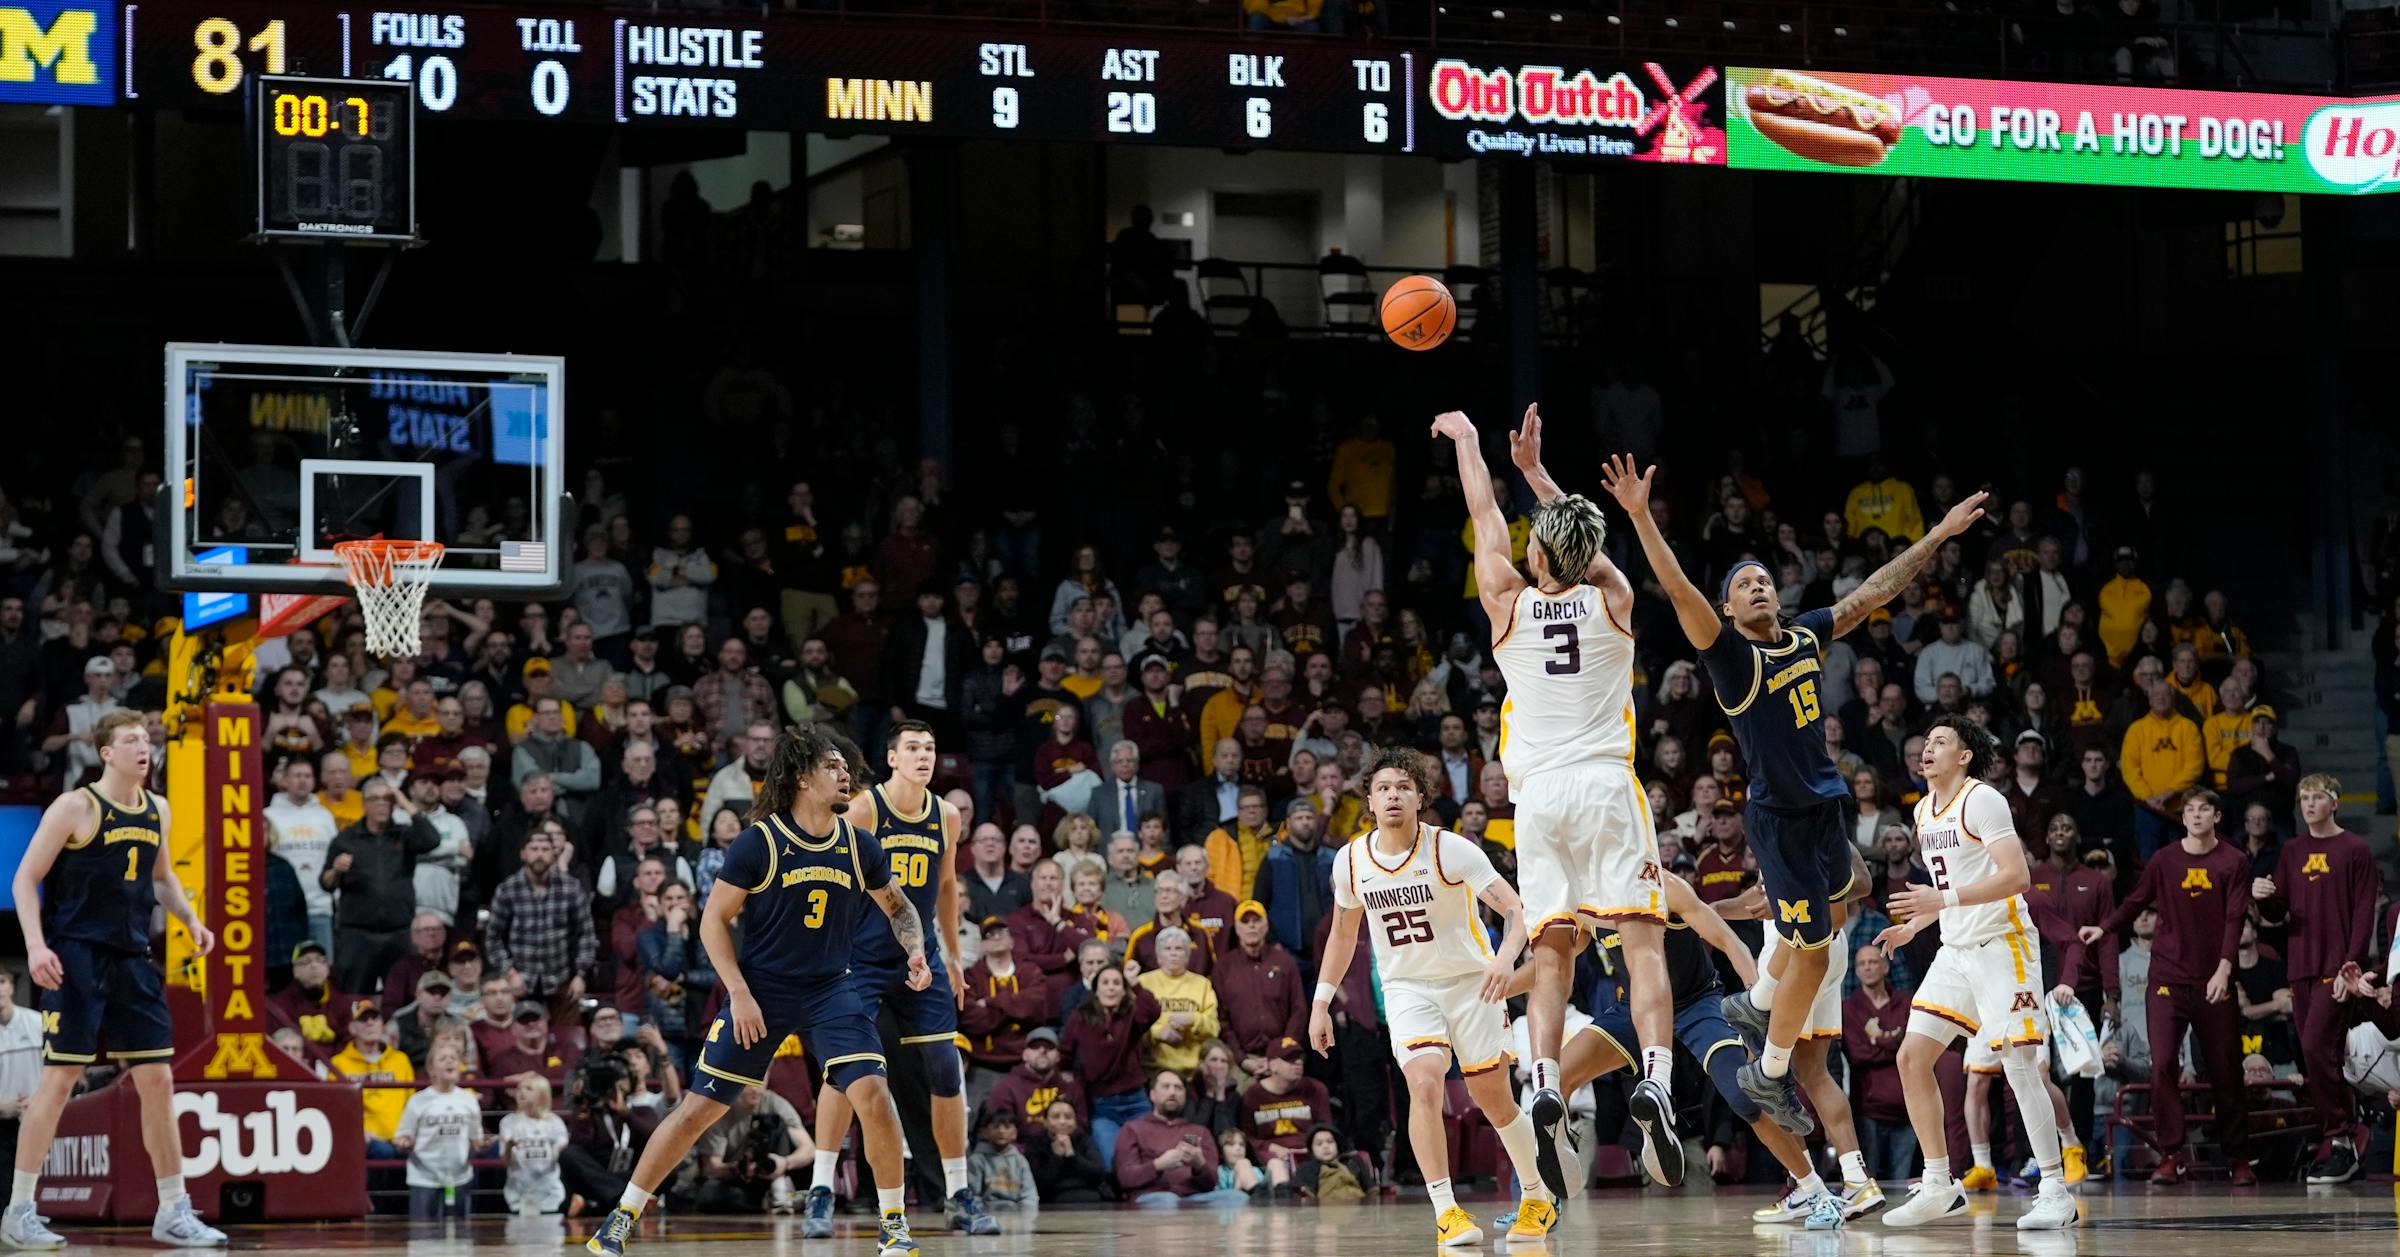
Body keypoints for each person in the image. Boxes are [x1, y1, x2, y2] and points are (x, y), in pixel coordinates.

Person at [1604, 448, 1988, 1143]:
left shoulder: (1807, 634)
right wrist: (1638, 517)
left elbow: (1871, 593)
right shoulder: (1729, 654)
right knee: (1811, 953)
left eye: (1762, 580)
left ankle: (1754, 1002)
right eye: (1741, 584)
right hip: (1779, 820)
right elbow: (1681, 587)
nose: (1756, 587)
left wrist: (1938, 536)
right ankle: (1768, 1067)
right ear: (1727, 607)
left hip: (1825, 808)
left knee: (1855, 890)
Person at [1437, 406, 1679, 1193]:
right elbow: (1587, 539)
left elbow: (1482, 513)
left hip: (1538, 798)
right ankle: (1656, 1080)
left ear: (1537, 550)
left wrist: (1475, 446)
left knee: (1551, 956)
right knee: (1642, 942)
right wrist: (1542, 476)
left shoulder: (1507, 603)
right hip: (1608, 783)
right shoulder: (1612, 597)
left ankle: (1541, 1080)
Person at [585, 725, 936, 1257]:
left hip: (831, 987)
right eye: (832, 767)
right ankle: (623, 1215)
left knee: (873, 1092)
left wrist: (914, 950)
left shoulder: (859, 843)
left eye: (847, 768)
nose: (846, 776)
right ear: (801, 777)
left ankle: (893, 1223)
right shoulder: (761, 841)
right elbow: (711, 923)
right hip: (762, 990)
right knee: (699, 1109)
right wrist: (739, 993)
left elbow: (899, 905)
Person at [1309, 749, 1555, 1244]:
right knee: (1423, 1082)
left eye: (1403, 786)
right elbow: (1341, 935)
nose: (1393, 794)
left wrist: (1506, 958)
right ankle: (1447, 1212)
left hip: (1472, 984)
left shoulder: (1451, 850)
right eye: (1383, 788)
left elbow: (1515, 910)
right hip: (1407, 988)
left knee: (1496, 1101)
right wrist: (1320, 1002)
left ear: (1420, 797)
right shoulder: (1352, 861)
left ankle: (1537, 1195)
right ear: (1370, 803)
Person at [4, 709, 226, 1247]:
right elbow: (24, 879)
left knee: (158, 1079)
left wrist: (191, 919)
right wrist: (35, 946)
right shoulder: (75, 805)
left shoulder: (159, 809)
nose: (143, 747)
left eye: (147, 739)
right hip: (75, 953)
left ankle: (173, 1208)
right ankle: (18, 1211)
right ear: (107, 752)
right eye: (131, 739)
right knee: (58, 1080)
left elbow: (162, 877)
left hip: (130, 955)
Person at [1866, 718, 2077, 1230]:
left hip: (2005, 946)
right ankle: (1940, 1183)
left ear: (1964, 756)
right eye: (1926, 742)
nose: (1927, 748)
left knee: (2020, 1067)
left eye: (1940, 742)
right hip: (1955, 948)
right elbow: (1956, 884)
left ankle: (2055, 1190)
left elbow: (2017, 876)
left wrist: (1942, 900)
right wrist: (1917, 924)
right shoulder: (1921, 810)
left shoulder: (1982, 800)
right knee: (1912, 1057)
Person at [798, 721, 993, 1237]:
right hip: (860, 957)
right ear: (892, 758)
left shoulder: (946, 815)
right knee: (845, 1070)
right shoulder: (865, 809)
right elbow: (835, 878)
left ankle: (959, 1193)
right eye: (913, 748)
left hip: (919, 955)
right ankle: (820, 1189)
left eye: (930, 748)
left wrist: (952, 956)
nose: (923, 756)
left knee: (945, 1068)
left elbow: (947, 886)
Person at [2078, 790, 2252, 1185]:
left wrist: (2225, 969)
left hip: (2214, 978)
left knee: (2226, 1071)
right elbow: (2136, 900)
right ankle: (2171, 1155)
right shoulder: (2165, 859)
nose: (2194, 815)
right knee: (2162, 1067)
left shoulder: (2233, 860)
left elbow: (2235, 917)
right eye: (2188, 810)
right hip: (2168, 977)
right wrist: (2104, 927)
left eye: (2203, 809)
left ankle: (2238, 1158)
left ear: (2217, 816)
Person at [2250, 774, 2376, 1183]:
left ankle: (2340, 1136)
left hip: (2335, 967)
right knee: (2318, 1054)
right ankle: (2342, 1136)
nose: (2308, 804)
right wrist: (2264, 896)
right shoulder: (2291, 850)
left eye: (2317, 797)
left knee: (2316, 1045)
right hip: (2300, 964)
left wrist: (2350, 966)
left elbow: (2363, 913)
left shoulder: (2355, 849)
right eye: (2303, 797)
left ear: (2334, 803)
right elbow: (2278, 914)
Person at [1110, 1070, 1247, 1207]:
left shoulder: (1200, 1132)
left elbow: (1212, 1183)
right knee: (1168, 1201)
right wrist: (1158, 1164)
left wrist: (1199, 1164)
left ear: (1185, 1096)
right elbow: (1125, 1178)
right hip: (1152, 1198)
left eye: (1178, 1088)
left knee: (1236, 1197)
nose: (1172, 1092)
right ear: (1152, 1095)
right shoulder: (1133, 1129)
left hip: (1193, 1198)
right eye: (1166, 1087)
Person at [395, 1042, 491, 1219]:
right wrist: (404, 1141)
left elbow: (475, 1139)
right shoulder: (418, 1101)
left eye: (454, 1058)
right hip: (424, 1178)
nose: (450, 1062)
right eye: (443, 1059)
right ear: (431, 1069)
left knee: (461, 1239)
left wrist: (484, 1144)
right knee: (423, 1239)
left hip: (459, 1177)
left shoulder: (468, 1100)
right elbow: (402, 1134)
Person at [501, 1073, 572, 1216]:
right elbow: (505, 1161)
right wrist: (509, 1146)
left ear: (542, 1094)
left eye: (528, 1088)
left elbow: (563, 1145)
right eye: (519, 1088)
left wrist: (559, 1147)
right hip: (518, 1194)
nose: (521, 1092)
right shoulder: (509, 1122)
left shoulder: (554, 1121)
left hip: (550, 1193)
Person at [1026, 1100, 1109, 1204]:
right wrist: (1056, 1157)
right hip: (1051, 1204)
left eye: (1068, 1117)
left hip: (1090, 1198)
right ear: (1045, 1122)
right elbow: (1038, 1184)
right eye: (1056, 1117)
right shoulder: (1035, 1145)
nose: (1062, 1122)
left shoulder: (1084, 1141)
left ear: (1075, 1123)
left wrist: (1071, 1155)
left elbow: (1099, 1174)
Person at [967, 1110, 1036, 1213]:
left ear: (1015, 1133)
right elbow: (973, 1195)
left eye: (1007, 1127)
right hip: (986, 1214)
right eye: (996, 1127)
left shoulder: (1020, 1161)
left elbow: (1029, 1195)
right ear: (985, 1132)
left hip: (1016, 1215)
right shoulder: (976, 1160)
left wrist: (1026, 1217)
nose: (1001, 1131)